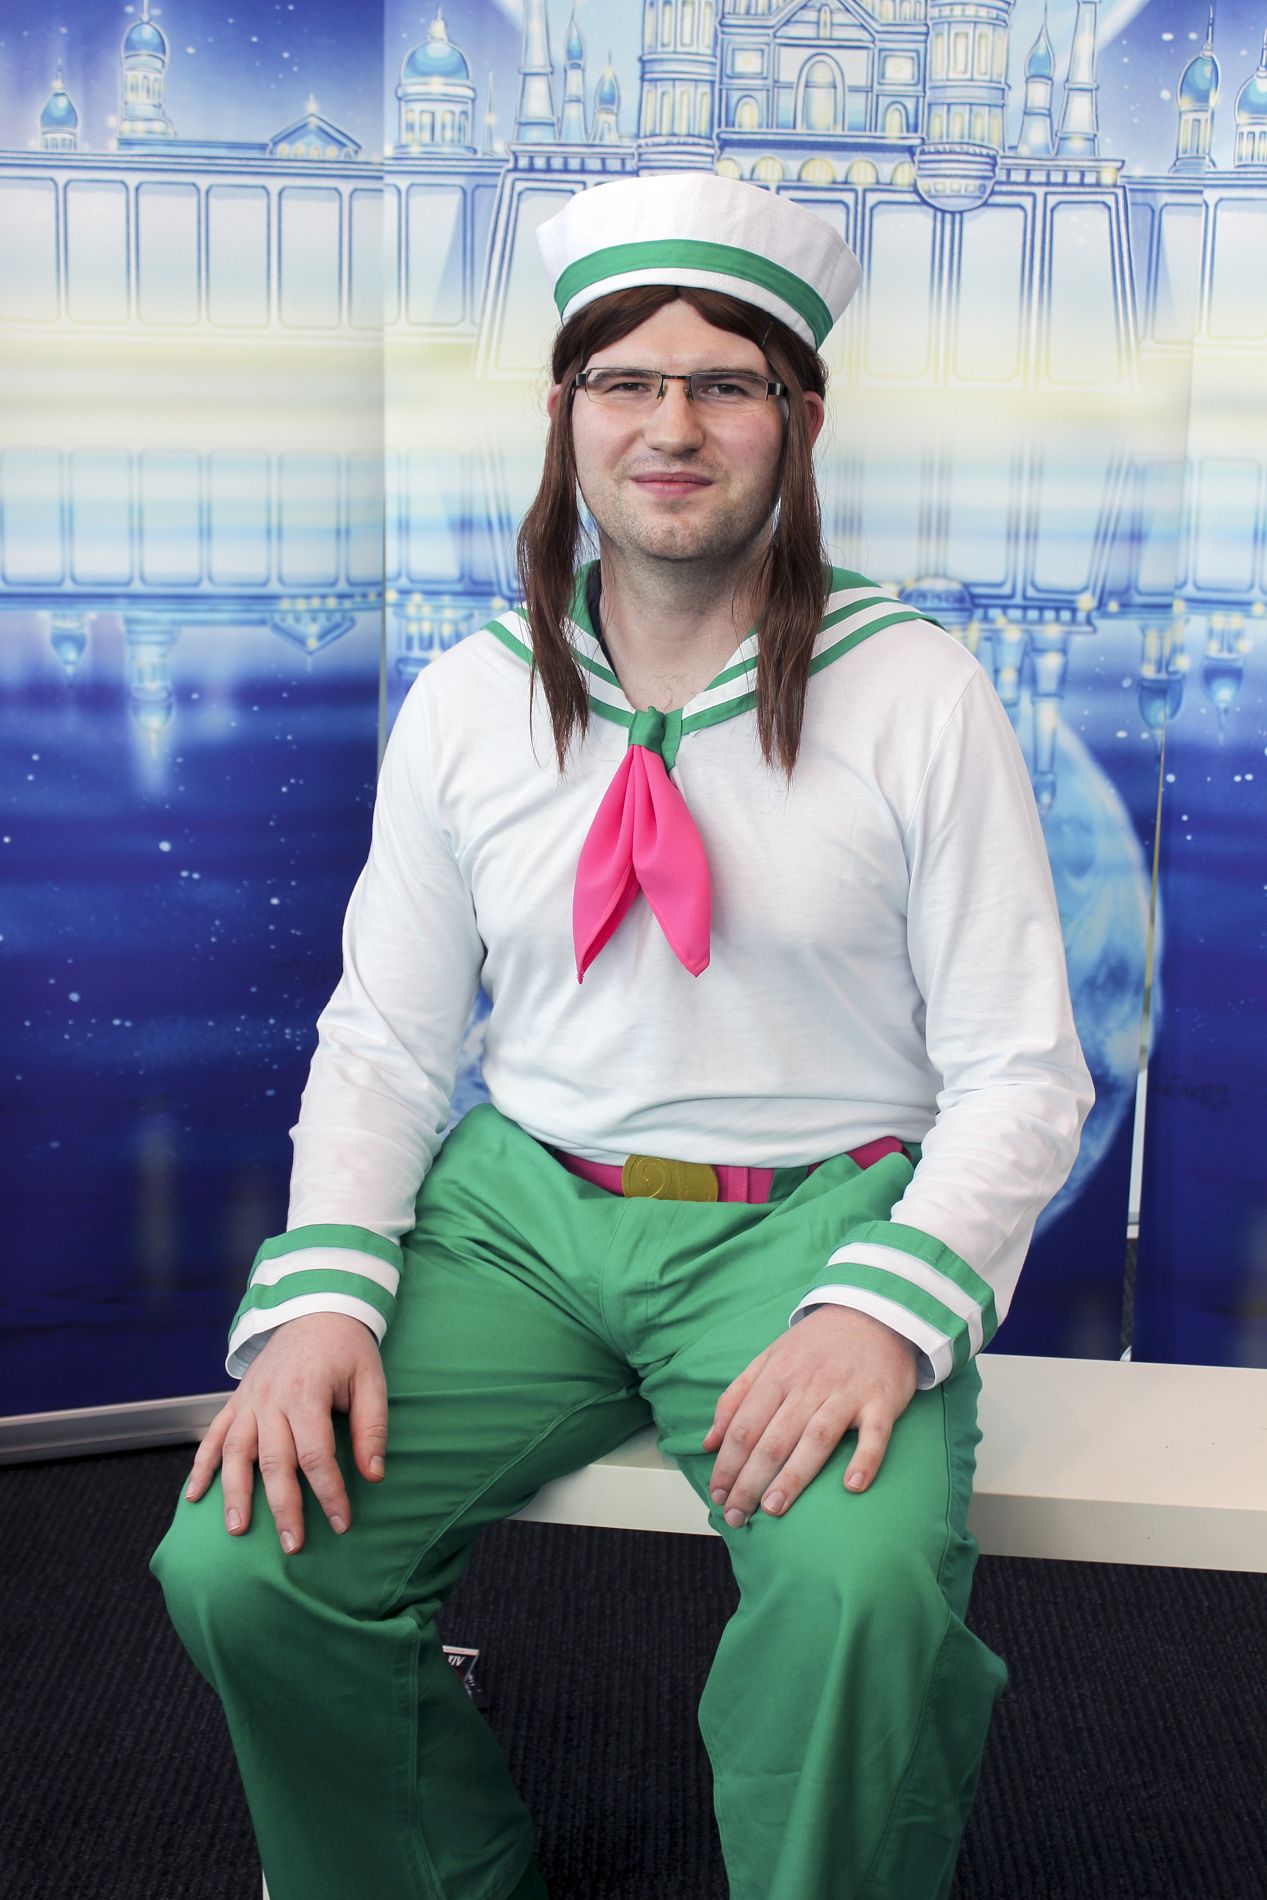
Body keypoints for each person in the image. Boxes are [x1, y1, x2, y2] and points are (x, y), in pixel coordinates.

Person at [151, 172, 1094, 1900]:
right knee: (243, 1563)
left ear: (800, 420)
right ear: (567, 412)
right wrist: (325, 1295)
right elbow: (386, 1038)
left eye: (726, 384)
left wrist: (881, 1309)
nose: (673, 427)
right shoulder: (470, 696)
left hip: (807, 1222)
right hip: (522, 1214)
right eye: (628, 382)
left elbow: (1023, 1069)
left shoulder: (917, 692)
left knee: (862, 1595)